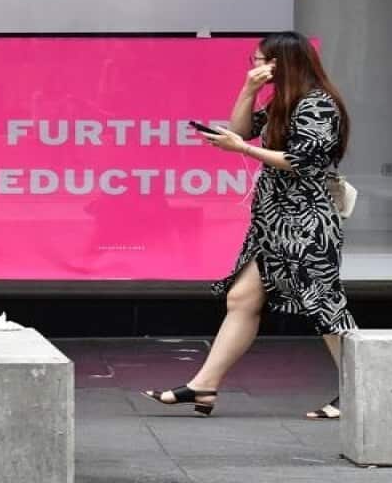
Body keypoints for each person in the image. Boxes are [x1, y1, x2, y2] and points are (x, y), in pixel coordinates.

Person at [142, 31, 356, 420]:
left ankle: (362, 389)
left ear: (281, 62)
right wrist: (246, 91)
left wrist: (242, 150)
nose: (254, 67)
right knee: (241, 298)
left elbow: (301, 160)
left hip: (305, 222)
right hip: (272, 222)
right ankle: (203, 386)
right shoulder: (283, 102)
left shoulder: (318, 105)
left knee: (324, 306)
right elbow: (241, 131)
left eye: (259, 61)